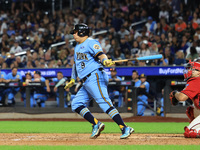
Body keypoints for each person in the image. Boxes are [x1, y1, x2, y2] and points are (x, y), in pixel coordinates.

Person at [64, 23, 134, 139]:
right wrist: (72, 78)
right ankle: (96, 123)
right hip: (86, 81)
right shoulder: (77, 46)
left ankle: (124, 127)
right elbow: (75, 65)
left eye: (75, 32)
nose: (74, 34)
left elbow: (101, 54)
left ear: (81, 32)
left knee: (104, 103)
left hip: (95, 76)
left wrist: (105, 61)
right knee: (76, 104)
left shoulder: (91, 42)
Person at [170, 60, 200, 138]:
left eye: (192, 69)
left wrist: (175, 93)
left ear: (199, 72)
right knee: (192, 111)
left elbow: (181, 97)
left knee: (191, 132)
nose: (189, 70)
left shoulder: (197, 80)